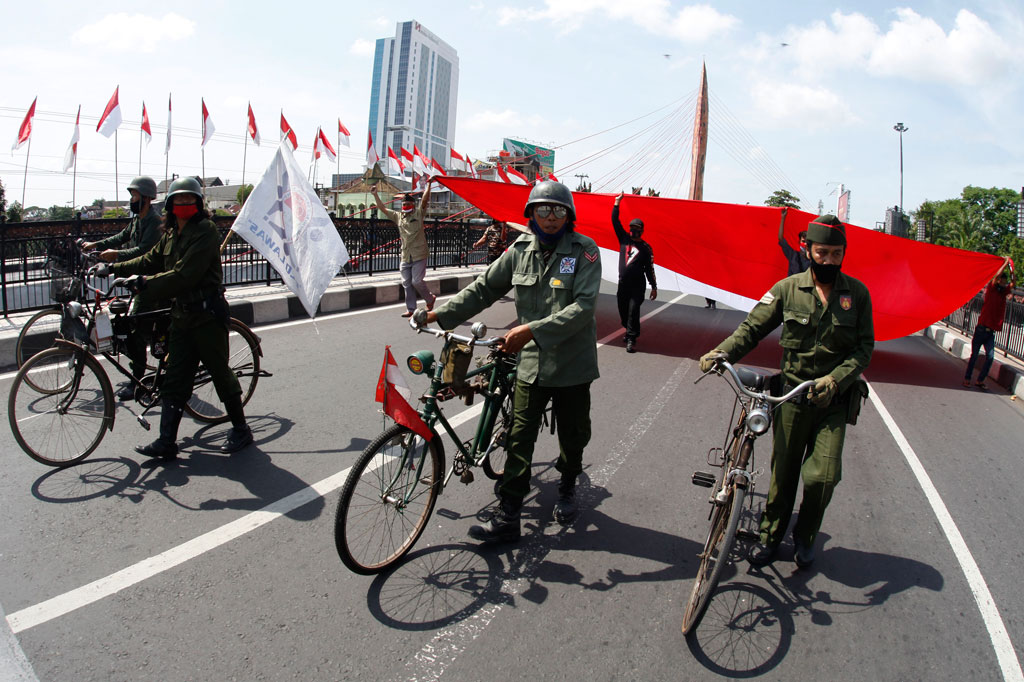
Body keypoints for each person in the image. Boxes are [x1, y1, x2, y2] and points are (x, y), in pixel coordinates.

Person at [418, 181, 601, 542]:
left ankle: (566, 485)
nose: (551, 218)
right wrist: (440, 315)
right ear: (531, 214)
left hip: (572, 363)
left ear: (569, 216)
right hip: (531, 362)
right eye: (543, 210)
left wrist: (529, 331)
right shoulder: (519, 250)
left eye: (558, 211)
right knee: (519, 438)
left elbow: (583, 308)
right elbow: (484, 288)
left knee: (573, 434)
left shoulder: (585, 252)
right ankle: (508, 515)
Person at [699, 215, 873, 568]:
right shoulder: (786, 289)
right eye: (821, 252)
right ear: (807, 249)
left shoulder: (857, 295)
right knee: (783, 474)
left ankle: (806, 536)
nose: (827, 260)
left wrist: (836, 379)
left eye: (836, 254)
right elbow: (751, 329)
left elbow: (863, 348)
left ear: (844, 254)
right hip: (792, 397)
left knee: (822, 477)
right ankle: (770, 535)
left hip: (833, 402)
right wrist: (723, 352)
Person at [98, 177, 253, 459]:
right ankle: (166, 442)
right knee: (175, 379)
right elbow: (149, 260)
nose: (183, 205)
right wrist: (114, 268)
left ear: (198, 204)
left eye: (188, 200)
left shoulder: (205, 231)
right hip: (181, 318)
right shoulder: (170, 234)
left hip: (207, 317)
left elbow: (185, 274)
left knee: (220, 374)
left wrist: (145, 282)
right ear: (169, 204)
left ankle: (242, 429)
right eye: (178, 201)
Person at [82, 176, 164, 400]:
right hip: (138, 280)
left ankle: (138, 380)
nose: (132, 200)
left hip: (152, 283)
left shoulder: (154, 222)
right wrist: (97, 245)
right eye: (131, 196)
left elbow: (143, 252)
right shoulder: (138, 219)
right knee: (127, 325)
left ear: (146, 198)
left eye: (135, 196)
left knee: (136, 332)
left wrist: (115, 259)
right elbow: (122, 236)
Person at [371, 183, 436, 317]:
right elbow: (382, 208)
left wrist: (428, 185)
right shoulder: (398, 216)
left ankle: (430, 299)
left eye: (408, 204)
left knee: (416, 281)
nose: (405, 206)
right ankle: (411, 309)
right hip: (406, 255)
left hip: (419, 254)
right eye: (404, 204)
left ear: (413, 205)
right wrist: (375, 194)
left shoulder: (418, 213)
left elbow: (424, 200)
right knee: (406, 283)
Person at [611, 192, 657, 353]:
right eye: (631, 228)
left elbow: (650, 269)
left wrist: (654, 286)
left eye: (636, 228)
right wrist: (617, 203)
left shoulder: (646, 248)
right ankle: (629, 329)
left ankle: (631, 338)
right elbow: (615, 222)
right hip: (623, 285)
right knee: (623, 311)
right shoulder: (624, 239)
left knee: (633, 311)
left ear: (642, 230)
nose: (633, 230)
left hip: (638, 287)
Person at [964, 259, 1015, 389]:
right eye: (1002, 282)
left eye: (1004, 282)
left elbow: (1013, 283)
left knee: (990, 357)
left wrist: (1011, 269)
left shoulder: (1003, 293)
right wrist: (1004, 264)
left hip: (990, 332)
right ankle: (967, 378)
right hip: (981, 329)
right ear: (998, 281)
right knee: (974, 355)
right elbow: (996, 276)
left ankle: (980, 380)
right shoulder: (992, 289)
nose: (1004, 284)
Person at [779, 208, 811, 275]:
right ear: (799, 242)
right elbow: (781, 238)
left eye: (807, 242)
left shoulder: (814, 259)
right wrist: (783, 218)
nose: (805, 244)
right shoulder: (793, 255)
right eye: (803, 241)